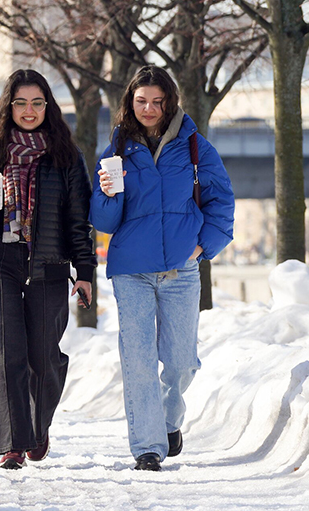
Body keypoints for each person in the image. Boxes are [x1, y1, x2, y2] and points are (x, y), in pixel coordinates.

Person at [89, 65, 235, 472]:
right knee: (138, 360)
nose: (149, 109)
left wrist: (204, 245)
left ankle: (169, 422)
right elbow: (102, 222)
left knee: (181, 361)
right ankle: (147, 448)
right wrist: (106, 194)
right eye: (141, 101)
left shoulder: (195, 147)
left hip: (181, 271)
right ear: (129, 103)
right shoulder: (116, 150)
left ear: (170, 102)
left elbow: (222, 202)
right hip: (131, 270)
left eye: (157, 101)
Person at [0, 69, 96, 470]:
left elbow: (78, 221)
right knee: (5, 355)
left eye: (37, 103)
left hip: (49, 263)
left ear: (47, 107)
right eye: (21, 103)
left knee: (44, 356)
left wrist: (84, 271)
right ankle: (12, 443)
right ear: (8, 106)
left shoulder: (66, 157)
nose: (29, 111)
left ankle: (38, 425)